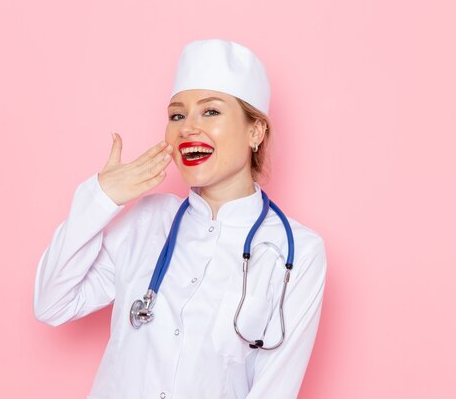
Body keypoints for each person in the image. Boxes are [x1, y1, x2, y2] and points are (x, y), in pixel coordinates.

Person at [33, 39, 327, 399]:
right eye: (177, 115)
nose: (188, 128)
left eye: (211, 112)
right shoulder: (146, 220)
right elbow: (51, 303)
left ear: (256, 131)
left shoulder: (297, 252)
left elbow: (274, 390)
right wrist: (100, 198)